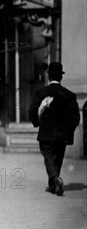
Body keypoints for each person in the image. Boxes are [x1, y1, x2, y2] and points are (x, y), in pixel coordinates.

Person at [29, 62, 80, 196]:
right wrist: (69, 130)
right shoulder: (70, 95)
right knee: (58, 158)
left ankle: (56, 179)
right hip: (63, 134)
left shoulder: (41, 93)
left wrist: (37, 123)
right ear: (61, 77)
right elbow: (76, 118)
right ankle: (54, 183)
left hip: (46, 133)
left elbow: (32, 110)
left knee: (49, 157)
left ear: (49, 77)